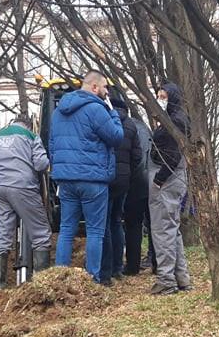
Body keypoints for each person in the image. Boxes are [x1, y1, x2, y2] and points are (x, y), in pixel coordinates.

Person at [49, 70, 124, 284]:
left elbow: (52, 145)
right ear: (94, 87)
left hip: (65, 179)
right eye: (105, 87)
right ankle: (93, 279)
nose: (107, 91)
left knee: (66, 229)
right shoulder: (97, 109)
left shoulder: (58, 112)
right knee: (95, 231)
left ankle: (60, 278)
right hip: (93, 179)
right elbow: (116, 137)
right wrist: (113, 114)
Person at [0, 115, 52, 289]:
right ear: (28, 126)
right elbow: (41, 164)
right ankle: (41, 285)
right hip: (23, 187)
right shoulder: (31, 136)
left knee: (2, 234)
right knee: (40, 233)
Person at [148, 81, 192, 295]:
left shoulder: (173, 122)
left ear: (172, 98)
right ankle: (181, 277)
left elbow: (172, 155)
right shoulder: (179, 119)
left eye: (163, 96)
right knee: (172, 230)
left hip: (168, 180)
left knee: (163, 230)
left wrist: (158, 180)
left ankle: (166, 280)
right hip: (175, 178)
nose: (159, 99)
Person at [100, 93, 142, 284]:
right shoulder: (132, 125)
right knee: (117, 222)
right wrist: (128, 173)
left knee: (104, 224)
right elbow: (137, 156)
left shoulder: (105, 121)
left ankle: (105, 270)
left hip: (106, 178)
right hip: (124, 180)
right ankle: (118, 267)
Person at [123, 112, 153, 275]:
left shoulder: (123, 126)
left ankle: (132, 266)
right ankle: (156, 262)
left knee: (133, 225)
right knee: (153, 223)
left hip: (135, 181)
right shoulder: (143, 127)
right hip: (152, 177)